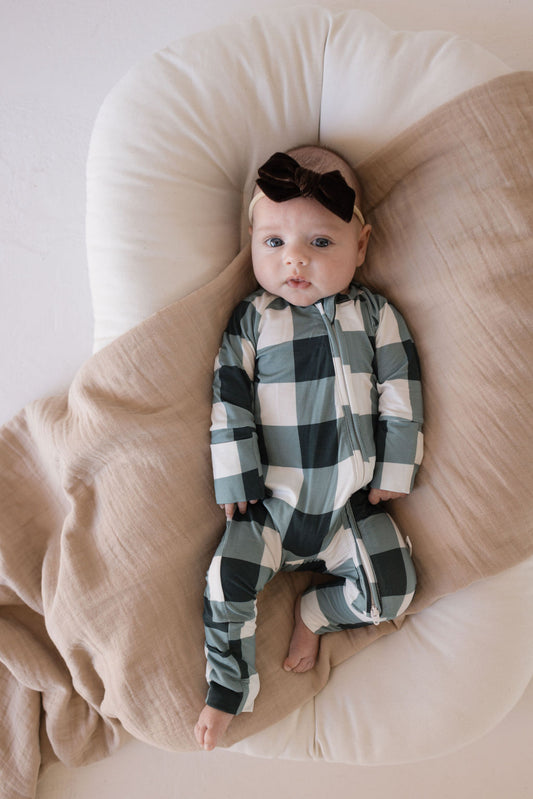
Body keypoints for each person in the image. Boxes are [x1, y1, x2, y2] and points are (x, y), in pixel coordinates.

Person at [194, 146, 423, 750]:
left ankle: (317, 614)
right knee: (225, 583)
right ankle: (227, 689)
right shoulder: (252, 319)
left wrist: (396, 467)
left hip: (351, 506)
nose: (294, 258)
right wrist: (235, 476)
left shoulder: (374, 317)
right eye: (274, 242)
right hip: (270, 507)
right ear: (252, 241)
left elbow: (401, 392)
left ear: (362, 246)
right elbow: (229, 398)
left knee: (395, 589)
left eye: (320, 243)